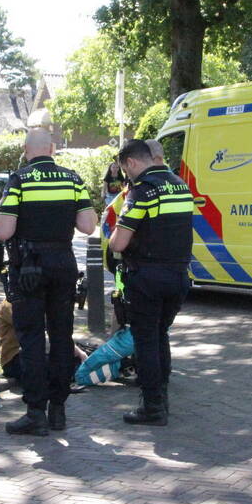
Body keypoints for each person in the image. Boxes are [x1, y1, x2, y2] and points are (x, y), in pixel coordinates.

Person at [0, 128, 97, 436]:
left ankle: (35, 412)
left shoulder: (20, 180)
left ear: (27, 150)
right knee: (62, 336)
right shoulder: (73, 179)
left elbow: (3, 232)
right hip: (63, 265)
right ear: (52, 149)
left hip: (29, 270)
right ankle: (59, 411)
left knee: (32, 339)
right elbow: (89, 226)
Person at [108, 139, 193, 426]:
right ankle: (162, 398)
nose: (125, 176)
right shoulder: (181, 185)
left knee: (146, 341)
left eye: (124, 170)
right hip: (178, 276)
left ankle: (152, 407)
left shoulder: (141, 192)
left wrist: (112, 240)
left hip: (148, 278)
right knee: (161, 335)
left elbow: (119, 242)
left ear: (131, 163)